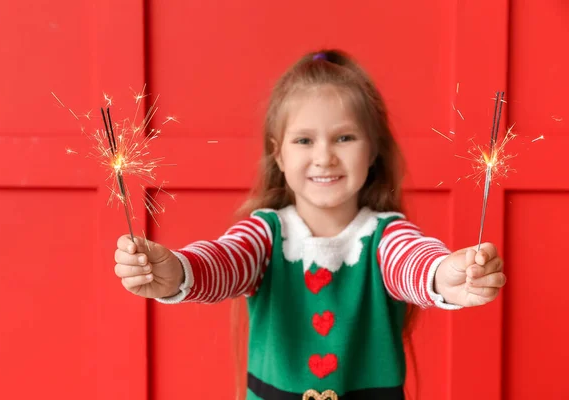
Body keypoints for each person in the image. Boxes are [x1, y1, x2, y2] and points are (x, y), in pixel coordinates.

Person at [113, 49, 506, 400]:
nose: (324, 157)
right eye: (303, 140)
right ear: (278, 154)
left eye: (345, 138)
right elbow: (223, 262)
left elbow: (415, 265)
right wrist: (177, 271)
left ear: (373, 151)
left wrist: (446, 276)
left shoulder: (387, 236)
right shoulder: (264, 235)